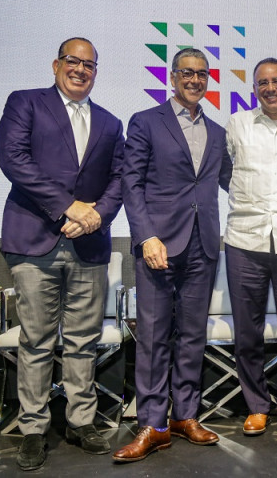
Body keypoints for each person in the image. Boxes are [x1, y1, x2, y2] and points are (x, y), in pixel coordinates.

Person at [0, 37, 124, 471]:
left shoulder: (110, 122)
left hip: (89, 244)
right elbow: (14, 160)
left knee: (84, 340)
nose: (81, 69)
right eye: (73, 61)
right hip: (35, 241)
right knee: (35, 341)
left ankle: (81, 421)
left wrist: (95, 216)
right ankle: (33, 428)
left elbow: (119, 181)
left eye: (89, 64)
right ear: (56, 65)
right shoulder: (25, 103)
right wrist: (67, 207)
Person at [113, 48, 232, 463]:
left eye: (202, 74)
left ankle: (185, 415)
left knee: (193, 336)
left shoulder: (218, 132)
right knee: (153, 336)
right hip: (158, 247)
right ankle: (153, 424)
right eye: (187, 73)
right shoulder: (146, 121)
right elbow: (133, 183)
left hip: (203, 245)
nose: (195, 80)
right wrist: (146, 236)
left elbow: (235, 182)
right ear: (173, 76)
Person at [224, 58, 277, 436]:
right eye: (263, 83)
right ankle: (257, 405)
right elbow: (223, 171)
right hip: (245, 239)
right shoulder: (237, 125)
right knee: (248, 331)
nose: (270, 88)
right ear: (254, 88)